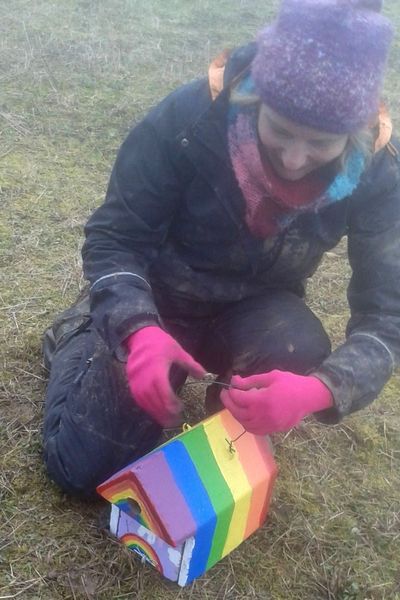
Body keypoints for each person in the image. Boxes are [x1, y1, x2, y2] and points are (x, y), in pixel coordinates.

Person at [42, 0, 399, 496]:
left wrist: (321, 388)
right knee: (80, 473)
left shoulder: (379, 173)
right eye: (280, 130)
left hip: (253, 309)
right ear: (255, 98)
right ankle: (79, 334)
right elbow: (115, 237)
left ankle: (223, 423)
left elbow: (387, 319)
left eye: (321, 143)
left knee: (298, 347)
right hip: (159, 296)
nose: (295, 159)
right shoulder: (189, 118)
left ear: (355, 131)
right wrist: (136, 329)